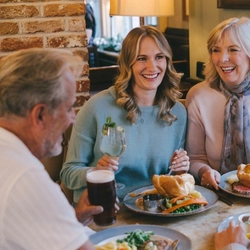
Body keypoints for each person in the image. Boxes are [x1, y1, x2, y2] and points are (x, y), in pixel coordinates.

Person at [60, 25, 190, 203]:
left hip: (156, 209)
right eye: (142, 58)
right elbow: (68, 173)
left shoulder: (178, 113)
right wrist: (95, 172)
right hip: (106, 209)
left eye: (159, 57)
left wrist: (180, 169)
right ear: (127, 63)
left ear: (167, 61)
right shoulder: (97, 107)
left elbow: (171, 177)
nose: (152, 67)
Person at [0, 48, 104, 249]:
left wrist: (71, 219)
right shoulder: (26, 177)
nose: (72, 118)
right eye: (68, 108)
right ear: (39, 115)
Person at [186, 17, 250, 190]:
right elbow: (194, 158)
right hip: (219, 196)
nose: (222, 59)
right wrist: (204, 171)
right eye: (216, 50)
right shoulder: (199, 96)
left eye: (233, 50)